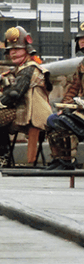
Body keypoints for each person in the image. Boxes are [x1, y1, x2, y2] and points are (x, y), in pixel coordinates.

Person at [0, 26, 52, 168]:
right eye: (10, 50)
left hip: (34, 114)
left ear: (27, 49)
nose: (12, 53)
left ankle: (1, 156)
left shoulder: (30, 69)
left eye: (17, 49)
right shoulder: (17, 70)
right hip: (23, 110)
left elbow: (14, 93)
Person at [44, 22, 84, 169]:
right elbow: (73, 89)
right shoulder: (82, 65)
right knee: (53, 119)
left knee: (61, 122)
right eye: (81, 38)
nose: (82, 41)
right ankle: (59, 158)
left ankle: (68, 161)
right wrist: (66, 105)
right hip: (80, 110)